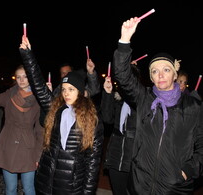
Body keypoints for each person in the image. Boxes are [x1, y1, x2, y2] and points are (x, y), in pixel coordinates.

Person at [112, 17, 203, 194]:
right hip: (140, 186)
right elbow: (122, 76)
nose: (160, 75)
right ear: (151, 77)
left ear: (175, 75)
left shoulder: (193, 106)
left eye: (166, 70)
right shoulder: (145, 98)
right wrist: (125, 39)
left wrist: (189, 170)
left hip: (174, 188)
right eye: (155, 71)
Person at [19, 36, 104, 194]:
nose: (66, 93)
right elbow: (38, 86)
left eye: (70, 89)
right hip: (46, 181)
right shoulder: (56, 109)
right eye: (63, 89)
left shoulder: (92, 119)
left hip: (71, 186)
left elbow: (93, 162)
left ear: (80, 91)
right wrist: (27, 55)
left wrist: (88, 192)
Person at [0, 65, 44, 195]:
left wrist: (38, 155)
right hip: (8, 147)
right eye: (18, 77)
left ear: (30, 77)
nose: (22, 80)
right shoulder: (9, 95)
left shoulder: (39, 99)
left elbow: (40, 131)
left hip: (28, 150)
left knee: (29, 188)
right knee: (10, 188)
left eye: (25, 76)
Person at [100, 62, 139, 195]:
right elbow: (106, 118)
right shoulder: (118, 100)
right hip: (116, 157)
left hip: (135, 159)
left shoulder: (143, 101)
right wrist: (107, 94)